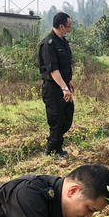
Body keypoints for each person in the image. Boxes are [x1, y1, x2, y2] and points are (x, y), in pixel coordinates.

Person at [39, 12, 75, 158]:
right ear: (61, 26)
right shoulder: (49, 44)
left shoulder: (63, 42)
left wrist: (69, 81)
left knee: (67, 116)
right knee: (57, 120)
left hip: (63, 85)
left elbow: (65, 65)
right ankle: (55, 150)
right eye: (69, 26)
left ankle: (51, 146)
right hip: (54, 89)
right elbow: (53, 70)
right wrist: (64, 88)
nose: (70, 29)